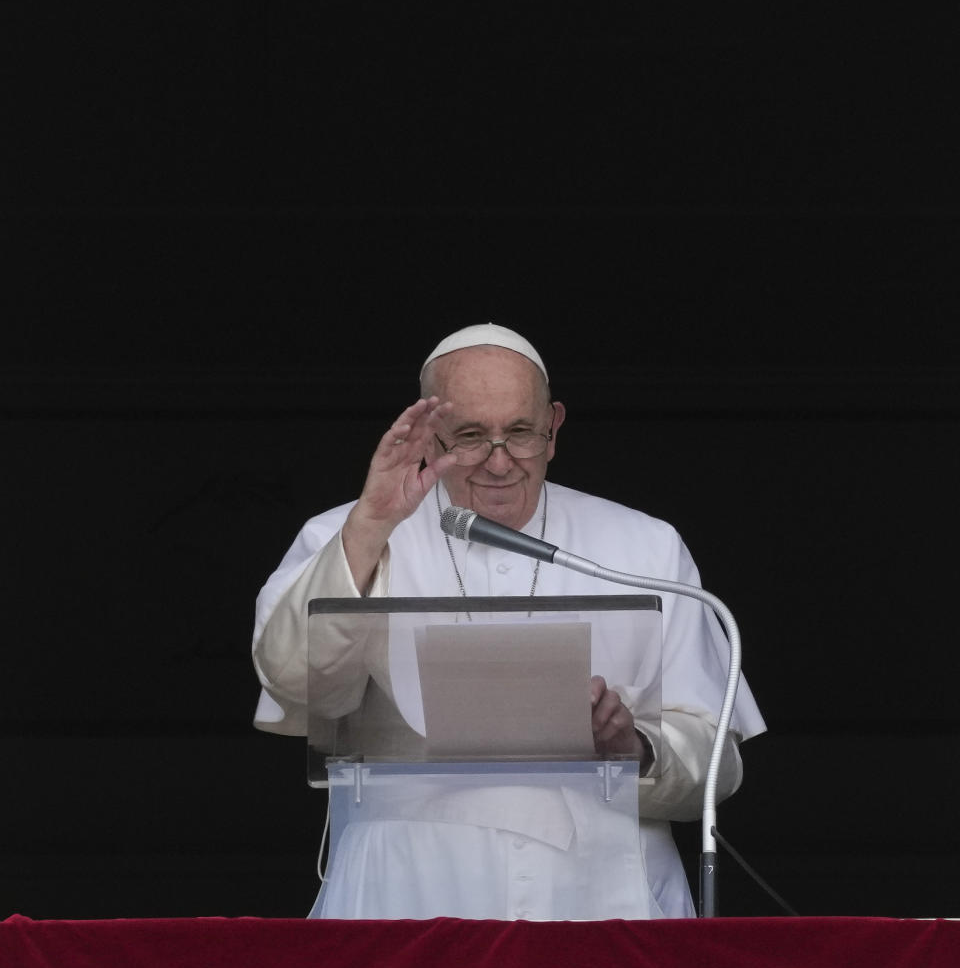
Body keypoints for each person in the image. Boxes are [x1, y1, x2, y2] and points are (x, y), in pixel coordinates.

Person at [253, 323, 765, 920]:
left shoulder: (645, 546)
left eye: (521, 433)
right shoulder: (348, 534)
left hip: (601, 896)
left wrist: (637, 747)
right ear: (427, 435)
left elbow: (718, 763)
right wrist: (370, 524)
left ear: (555, 428)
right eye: (469, 437)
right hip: (406, 891)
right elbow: (292, 680)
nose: (499, 463)